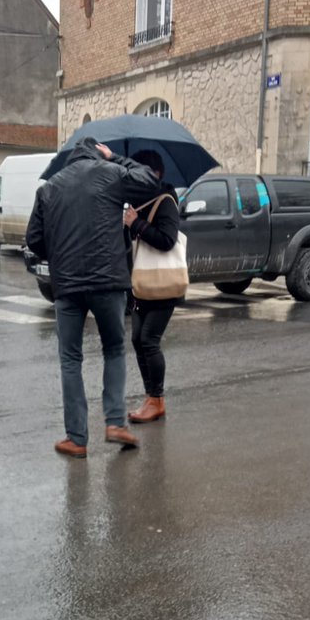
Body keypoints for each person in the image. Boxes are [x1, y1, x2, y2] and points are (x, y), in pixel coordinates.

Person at [26, 138, 160, 458]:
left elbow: (33, 239)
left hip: (68, 287)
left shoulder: (49, 188)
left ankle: (76, 438)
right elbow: (148, 180)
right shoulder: (111, 173)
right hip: (108, 282)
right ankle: (115, 423)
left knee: (71, 359)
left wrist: (58, 255)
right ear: (97, 153)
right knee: (114, 349)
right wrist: (114, 156)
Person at [123, 150, 181, 424]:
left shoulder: (166, 201)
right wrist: (130, 223)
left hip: (163, 284)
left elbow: (167, 240)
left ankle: (157, 400)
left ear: (156, 174)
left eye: (142, 172)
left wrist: (137, 224)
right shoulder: (139, 202)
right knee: (137, 339)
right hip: (142, 283)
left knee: (149, 340)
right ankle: (151, 397)